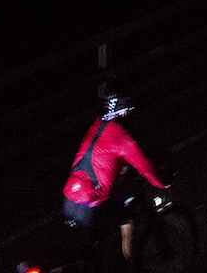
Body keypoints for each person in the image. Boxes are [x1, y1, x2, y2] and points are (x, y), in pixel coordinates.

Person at [62, 92, 168, 259]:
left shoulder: (96, 126)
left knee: (99, 238)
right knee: (127, 221)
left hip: (69, 199)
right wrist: (160, 183)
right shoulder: (122, 138)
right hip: (90, 206)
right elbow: (144, 166)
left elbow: (101, 157)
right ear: (123, 114)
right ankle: (129, 265)